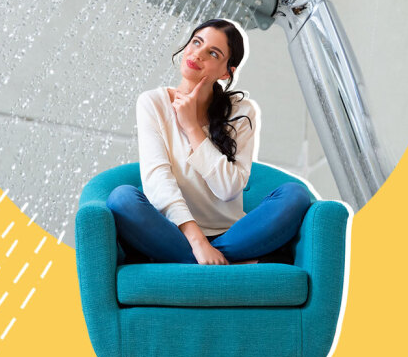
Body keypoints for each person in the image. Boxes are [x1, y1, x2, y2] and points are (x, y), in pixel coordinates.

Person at [107, 18, 312, 265]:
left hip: (234, 235)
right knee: (122, 199)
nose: (198, 54)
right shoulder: (152, 103)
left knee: (295, 195)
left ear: (227, 72)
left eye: (213, 53)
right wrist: (198, 243)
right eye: (196, 42)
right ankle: (218, 259)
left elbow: (228, 189)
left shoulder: (242, 112)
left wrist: (192, 127)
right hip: (174, 233)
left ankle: (200, 260)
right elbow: (157, 181)